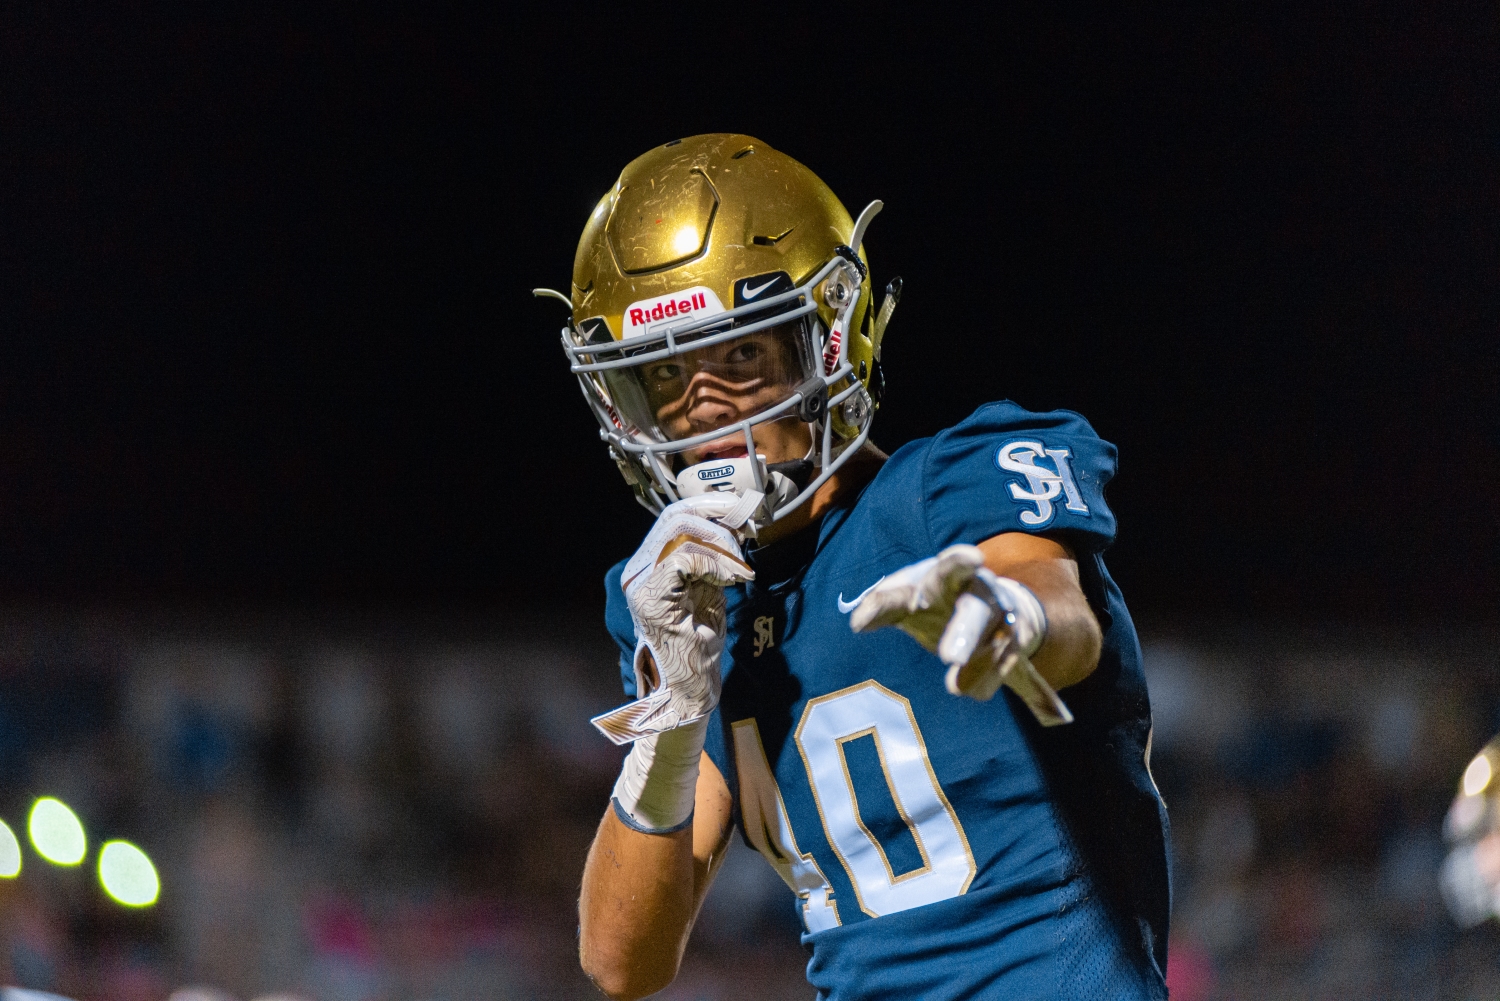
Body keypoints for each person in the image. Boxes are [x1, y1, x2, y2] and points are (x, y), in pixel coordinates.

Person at [536, 134, 1170, 1000]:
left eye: (744, 357)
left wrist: (1004, 612)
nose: (706, 412)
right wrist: (672, 718)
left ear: (829, 339)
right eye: (667, 376)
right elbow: (621, 961)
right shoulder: (685, 600)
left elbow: (1057, 609)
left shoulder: (946, 487)